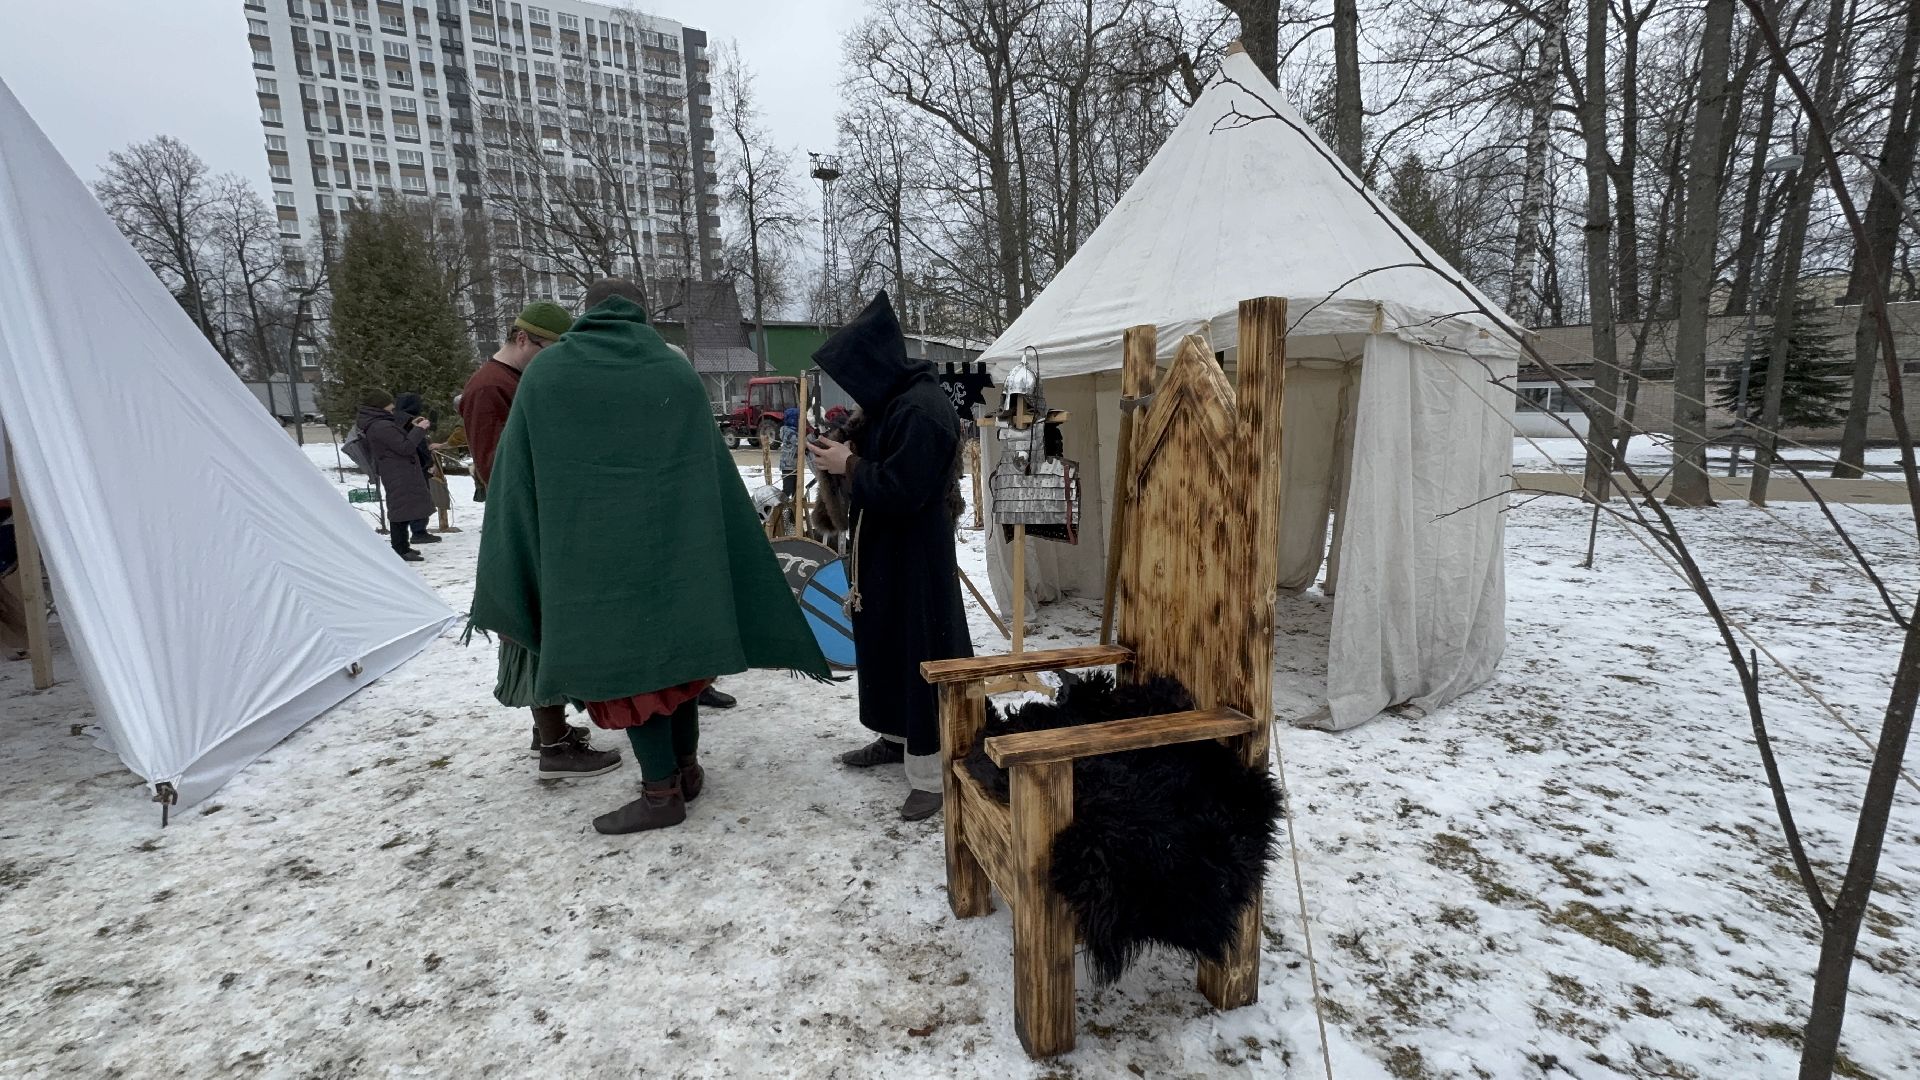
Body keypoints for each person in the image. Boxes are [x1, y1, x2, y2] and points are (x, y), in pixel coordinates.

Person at [469, 278, 829, 834]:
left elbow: (516, 479)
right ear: (640, 315)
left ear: (584, 313)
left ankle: (661, 794)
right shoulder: (673, 369)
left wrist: (518, 556)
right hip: (677, 548)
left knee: (628, 672)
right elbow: (708, 470)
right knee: (680, 660)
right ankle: (684, 771)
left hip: (590, 560)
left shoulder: (547, 372)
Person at [808, 291, 973, 822]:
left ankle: (931, 769)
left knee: (920, 654)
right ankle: (895, 736)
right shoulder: (891, 403)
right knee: (886, 647)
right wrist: (844, 449)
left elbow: (904, 489)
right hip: (884, 556)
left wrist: (848, 464)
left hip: (916, 563)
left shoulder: (921, 409)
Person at [457, 301, 622, 780]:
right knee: (531, 626)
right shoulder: (489, 388)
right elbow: (498, 468)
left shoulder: (517, 381)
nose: (553, 359)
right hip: (525, 527)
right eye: (549, 348)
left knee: (548, 624)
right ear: (524, 338)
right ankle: (553, 744)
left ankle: (550, 730)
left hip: (544, 521)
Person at [354, 390, 435, 563]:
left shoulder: (378, 423)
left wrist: (411, 426)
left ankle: (403, 546)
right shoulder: (380, 425)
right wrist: (419, 430)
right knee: (400, 510)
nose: (393, 410)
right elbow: (405, 447)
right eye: (390, 408)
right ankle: (400, 548)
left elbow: (395, 440)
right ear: (380, 406)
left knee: (403, 508)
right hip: (399, 472)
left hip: (397, 471)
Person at [393, 393, 440, 546]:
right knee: (420, 498)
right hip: (416, 465)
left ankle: (414, 530)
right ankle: (419, 531)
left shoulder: (395, 419)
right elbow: (417, 443)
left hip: (402, 467)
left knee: (409, 499)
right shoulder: (410, 421)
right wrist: (428, 462)